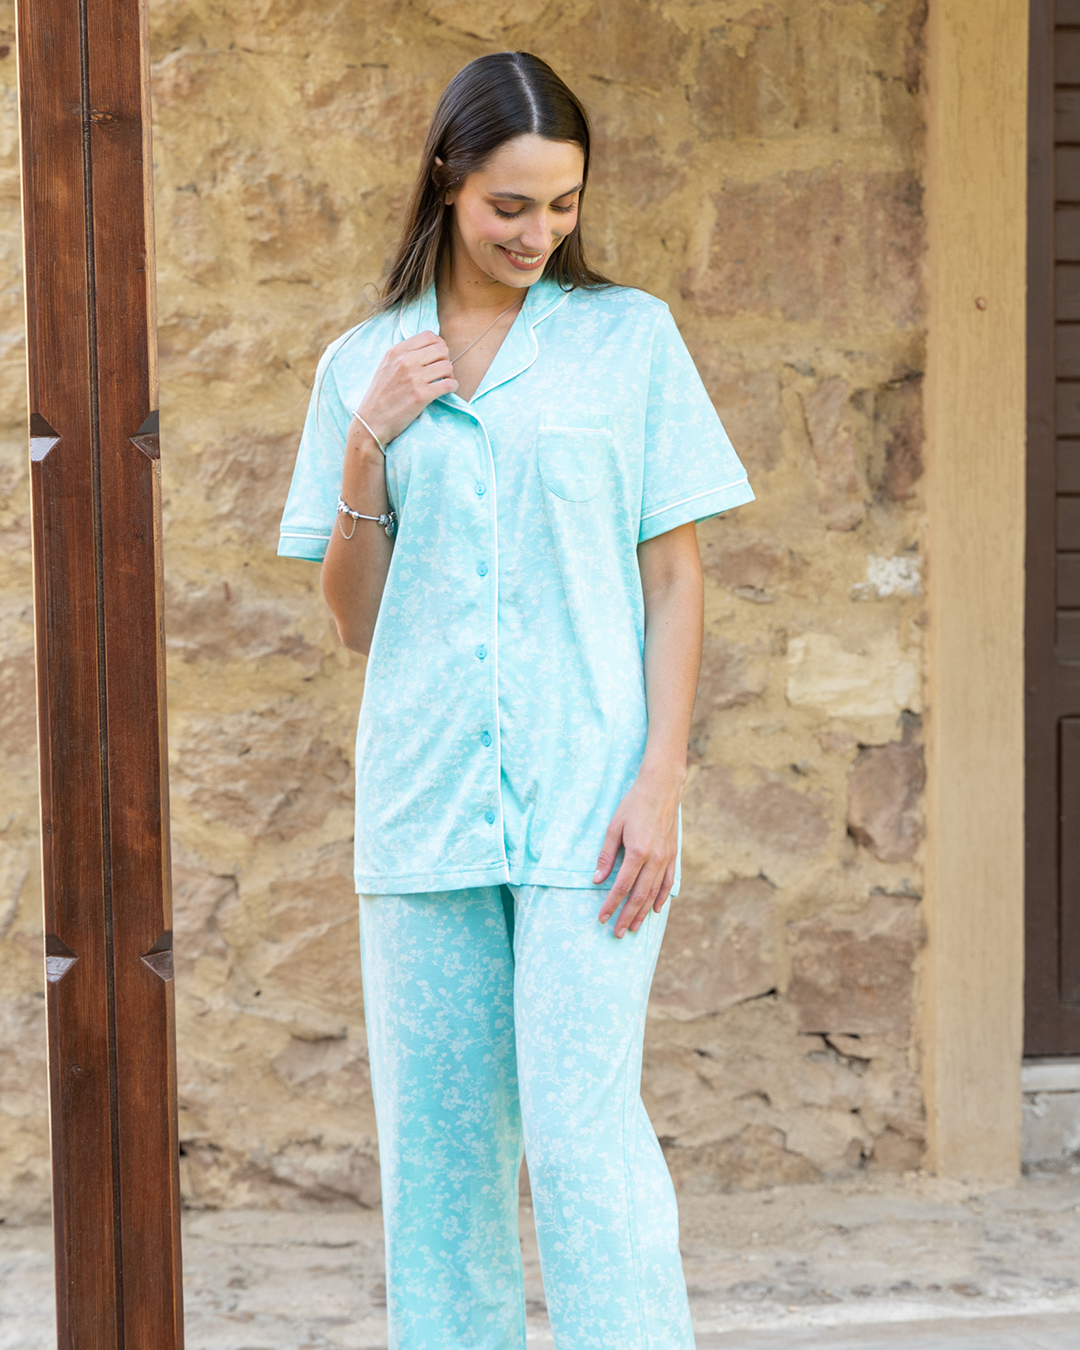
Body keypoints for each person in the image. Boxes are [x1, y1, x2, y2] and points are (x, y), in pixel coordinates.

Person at [278, 49, 753, 1350]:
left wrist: (659, 783)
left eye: (562, 204)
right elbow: (355, 619)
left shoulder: (628, 339)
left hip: (593, 802)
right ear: (447, 182)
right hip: (426, 800)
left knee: (584, 1136)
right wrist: (370, 440)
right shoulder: (361, 364)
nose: (538, 233)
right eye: (509, 206)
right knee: (440, 1161)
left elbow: (674, 575)